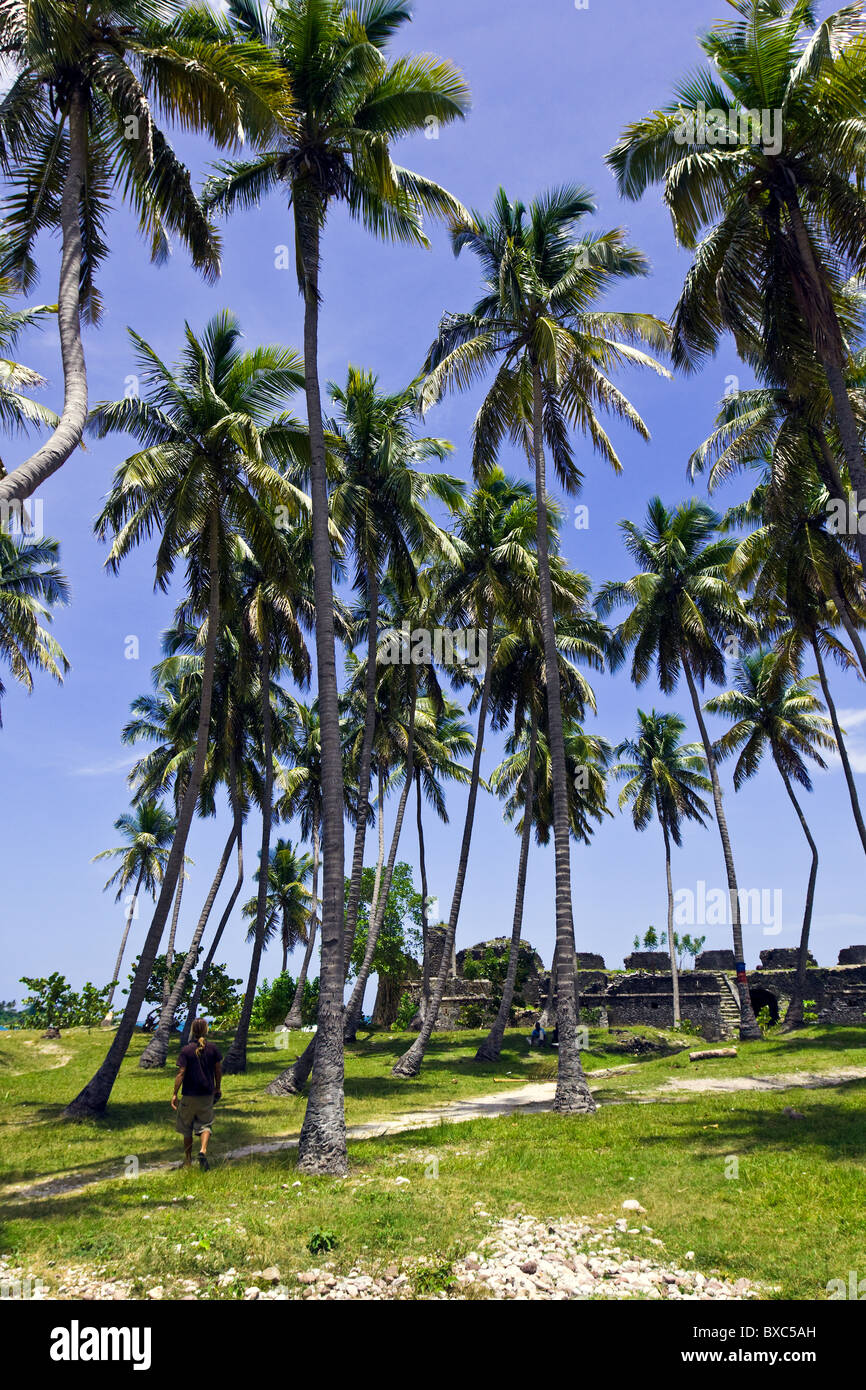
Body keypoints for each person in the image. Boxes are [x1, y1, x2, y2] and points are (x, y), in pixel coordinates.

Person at [171, 1018, 222, 1171]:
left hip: (189, 1095)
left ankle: (188, 1160)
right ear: (206, 1030)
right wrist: (217, 1087)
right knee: (205, 1125)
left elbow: (181, 1073)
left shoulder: (186, 1050)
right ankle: (203, 1151)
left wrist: (174, 1093)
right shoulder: (213, 1049)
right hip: (206, 1094)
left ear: (192, 1030)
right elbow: (218, 1070)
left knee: (187, 1128)